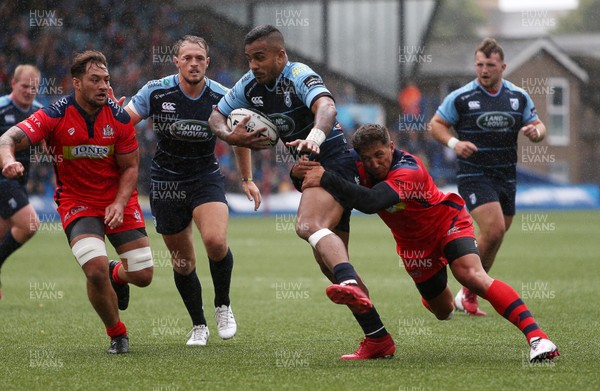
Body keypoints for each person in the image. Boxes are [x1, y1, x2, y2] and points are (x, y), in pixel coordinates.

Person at [208, 25, 395, 360]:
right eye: (250, 58)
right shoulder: (248, 85)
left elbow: (326, 108)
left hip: (335, 162)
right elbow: (216, 117)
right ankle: (377, 336)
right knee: (331, 264)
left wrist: (315, 139)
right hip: (308, 167)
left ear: (281, 55)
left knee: (307, 226)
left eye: (260, 57)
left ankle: (352, 287)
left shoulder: (298, 74)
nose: (253, 65)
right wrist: (230, 136)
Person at [302, 123, 559, 363]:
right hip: (413, 246)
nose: (375, 164)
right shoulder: (358, 167)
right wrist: (299, 171)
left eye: (380, 155)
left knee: (471, 274)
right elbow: (320, 177)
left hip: (446, 223)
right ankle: (438, 298)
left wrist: (326, 178)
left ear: (391, 147)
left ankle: (538, 339)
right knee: (442, 310)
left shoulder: (408, 170)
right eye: (367, 159)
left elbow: (370, 202)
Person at [0, 51, 154, 354]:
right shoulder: (55, 114)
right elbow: (8, 138)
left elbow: (131, 167)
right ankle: (117, 333)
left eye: (106, 80)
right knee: (93, 268)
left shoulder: (120, 117)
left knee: (143, 276)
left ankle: (116, 274)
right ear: (77, 83)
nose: (102, 86)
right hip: (77, 202)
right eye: (94, 80)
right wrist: (7, 161)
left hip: (117, 200)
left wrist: (120, 203)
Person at [120, 35, 260, 346]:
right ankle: (199, 325)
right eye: (188, 58)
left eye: (200, 58)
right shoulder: (156, 91)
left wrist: (247, 179)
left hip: (205, 178)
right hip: (166, 181)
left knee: (215, 240)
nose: (194, 63)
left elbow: (240, 137)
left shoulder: (224, 97)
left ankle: (222, 305)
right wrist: (112, 116)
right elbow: (123, 123)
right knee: (183, 261)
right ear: (177, 61)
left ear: (207, 62)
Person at [428, 38, 547, 316]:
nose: (483, 70)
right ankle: (465, 279)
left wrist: (536, 133)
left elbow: (538, 126)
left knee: (497, 235)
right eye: (479, 64)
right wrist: (454, 144)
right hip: (474, 174)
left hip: (506, 175)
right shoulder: (461, 97)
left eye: (490, 65)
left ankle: (468, 293)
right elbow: (436, 125)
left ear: (502, 66)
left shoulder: (518, 97)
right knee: (492, 230)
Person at [0, 65, 43, 300]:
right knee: (30, 224)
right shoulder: (2, 107)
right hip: (3, 180)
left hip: (19, 182)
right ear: (13, 84)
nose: (29, 91)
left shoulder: (39, 112)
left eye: (34, 87)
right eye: (24, 86)